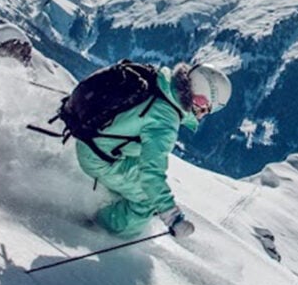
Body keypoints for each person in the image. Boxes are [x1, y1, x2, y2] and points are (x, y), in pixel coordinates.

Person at [77, 61, 231, 240]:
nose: (203, 115)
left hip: (93, 140)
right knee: (147, 201)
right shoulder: (165, 119)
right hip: (99, 158)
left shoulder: (162, 83)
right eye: (206, 108)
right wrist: (172, 217)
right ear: (199, 98)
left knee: (145, 187)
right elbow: (151, 174)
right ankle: (98, 229)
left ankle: (115, 202)